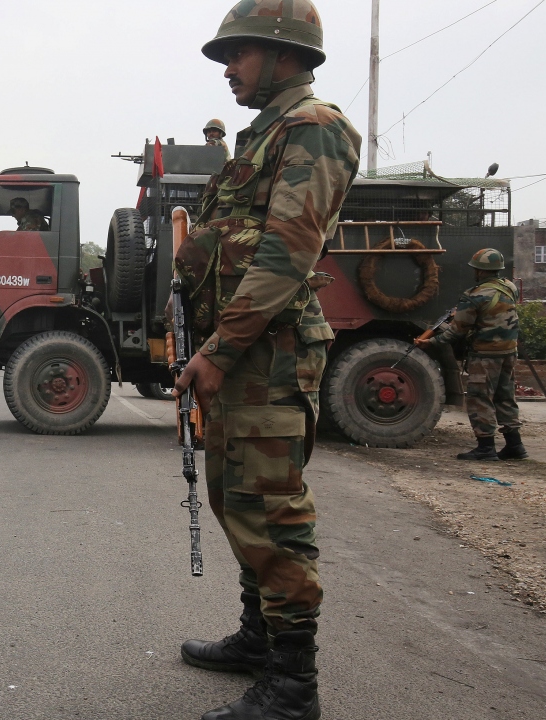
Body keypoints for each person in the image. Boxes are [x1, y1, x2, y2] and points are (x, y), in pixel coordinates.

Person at [170, 2, 361, 718]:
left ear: (284, 54)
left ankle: (292, 691)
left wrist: (219, 348)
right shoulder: (263, 136)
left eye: (238, 53)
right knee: (236, 500)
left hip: (266, 354)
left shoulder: (316, 129)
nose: (227, 69)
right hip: (244, 352)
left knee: (271, 514)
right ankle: (258, 640)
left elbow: (287, 252)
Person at [417, 248, 524, 461]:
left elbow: (457, 331)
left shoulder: (474, 295)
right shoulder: (510, 287)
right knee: (505, 397)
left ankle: (485, 448)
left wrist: (430, 342)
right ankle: (515, 445)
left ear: (480, 271)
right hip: (509, 352)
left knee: (480, 398)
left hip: (486, 355)